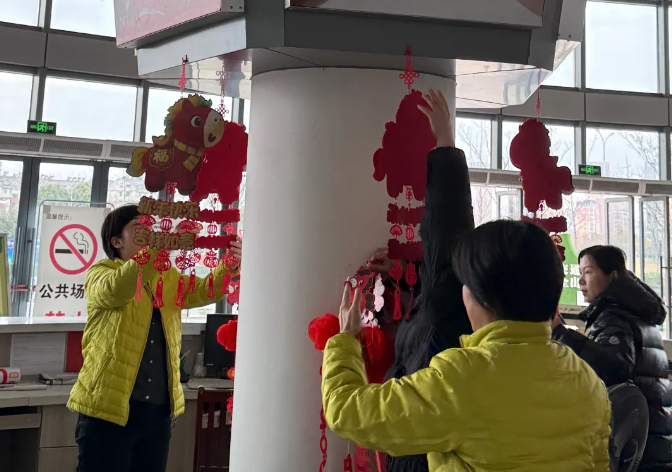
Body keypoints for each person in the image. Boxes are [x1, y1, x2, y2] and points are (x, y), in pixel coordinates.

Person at [321, 220, 611, 472]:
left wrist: (345, 341)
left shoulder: (460, 381)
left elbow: (345, 410)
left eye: (465, 284)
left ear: (483, 299)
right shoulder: (586, 379)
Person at [67, 205, 242, 472]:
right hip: (107, 410)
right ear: (116, 242)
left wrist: (229, 263)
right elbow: (120, 288)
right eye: (140, 227)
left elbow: (206, 290)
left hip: (158, 413)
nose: (151, 233)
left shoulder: (167, 277)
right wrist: (160, 249)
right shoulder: (101, 273)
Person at [372, 90, 474, 472]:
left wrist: (341, 346)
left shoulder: (453, 317)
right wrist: (401, 274)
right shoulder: (564, 369)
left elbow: (447, 229)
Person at [552, 245, 672, 471]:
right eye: (580, 273)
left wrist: (561, 334)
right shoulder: (638, 314)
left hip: (635, 448)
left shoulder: (614, 317)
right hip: (652, 442)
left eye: (588, 272)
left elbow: (613, 369)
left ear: (613, 276)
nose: (581, 281)